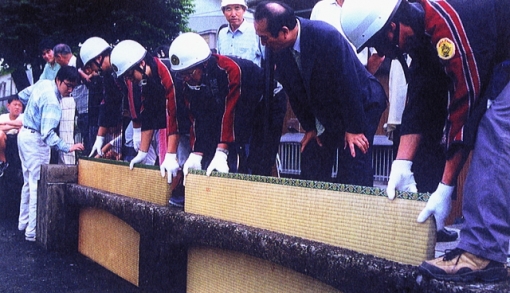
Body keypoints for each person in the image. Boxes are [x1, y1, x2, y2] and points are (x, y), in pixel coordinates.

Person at [341, 0, 510, 282]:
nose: (382, 54)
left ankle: (482, 253)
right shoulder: (421, 33)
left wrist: (445, 186)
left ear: (392, 27)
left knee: (495, 129)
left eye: (380, 45)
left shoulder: (447, 25)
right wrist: (401, 164)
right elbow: (423, 96)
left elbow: (465, 106)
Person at [253, 1, 387, 187]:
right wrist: (310, 127)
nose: (263, 43)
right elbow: (295, 91)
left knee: (353, 160)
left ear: (284, 32)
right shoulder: (277, 49)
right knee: (312, 155)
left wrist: (353, 129)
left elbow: (348, 83)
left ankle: (356, 212)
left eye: (265, 38)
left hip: (362, 101)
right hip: (329, 107)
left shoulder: (326, 37)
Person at [169, 32, 286, 180]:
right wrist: (197, 153)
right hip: (239, 108)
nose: (186, 78)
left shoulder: (230, 70)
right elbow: (199, 117)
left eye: (189, 73)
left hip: (267, 102)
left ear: (204, 64)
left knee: (256, 158)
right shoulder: (187, 82)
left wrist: (221, 151)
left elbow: (232, 111)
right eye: (181, 74)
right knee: (218, 149)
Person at [17, 66, 85, 242]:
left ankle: (23, 224)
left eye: (73, 87)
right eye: (68, 86)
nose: (69, 90)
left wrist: (34, 110)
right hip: (36, 140)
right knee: (36, 185)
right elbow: (48, 133)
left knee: (28, 182)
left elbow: (23, 95)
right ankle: (32, 232)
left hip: (23, 135)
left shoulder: (43, 83)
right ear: (59, 80)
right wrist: (68, 147)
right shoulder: (53, 103)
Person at [110, 40, 181, 184]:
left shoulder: (167, 72)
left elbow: (175, 114)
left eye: (130, 75)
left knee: (180, 162)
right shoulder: (145, 81)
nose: (129, 80)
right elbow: (147, 114)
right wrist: (142, 152)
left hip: (184, 122)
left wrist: (171, 153)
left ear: (141, 63)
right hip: (168, 124)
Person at [80, 37, 127, 160]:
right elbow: (108, 103)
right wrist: (99, 138)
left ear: (98, 58)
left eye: (91, 65)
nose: (93, 70)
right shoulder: (108, 75)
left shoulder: (123, 64)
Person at [310, 0, 384, 75]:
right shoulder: (320, 9)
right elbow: (312, 47)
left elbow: (379, 54)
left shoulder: (366, 8)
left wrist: (365, 79)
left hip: (356, 75)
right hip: (326, 77)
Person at [217, 0, 264, 67]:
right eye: (228, 9)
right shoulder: (222, 34)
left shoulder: (255, 31)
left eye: (237, 8)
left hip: (251, 77)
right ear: (223, 12)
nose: (233, 14)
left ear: (244, 10)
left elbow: (267, 61)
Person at [0, 96, 24, 177]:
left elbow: (21, 124)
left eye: (19, 105)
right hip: (4, 141)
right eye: (15, 104)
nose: (17, 107)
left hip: (18, 141)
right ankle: (2, 162)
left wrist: (6, 124)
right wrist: (14, 126)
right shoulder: (3, 117)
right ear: (8, 106)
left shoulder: (23, 117)